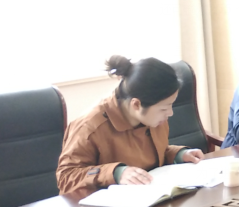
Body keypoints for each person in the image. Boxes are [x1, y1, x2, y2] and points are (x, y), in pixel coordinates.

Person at [57, 56, 204, 195]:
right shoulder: (89, 127)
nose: (170, 113)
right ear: (136, 104)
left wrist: (178, 155)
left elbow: (152, 155)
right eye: (164, 108)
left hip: (150, 199)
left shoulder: (152, 118)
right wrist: (116, 173)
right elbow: (66, 177)